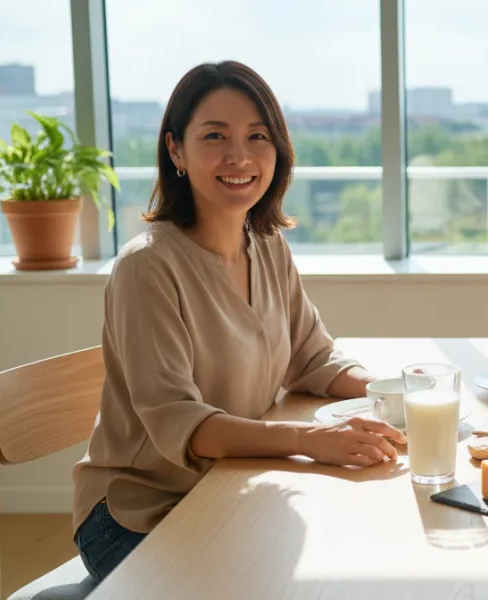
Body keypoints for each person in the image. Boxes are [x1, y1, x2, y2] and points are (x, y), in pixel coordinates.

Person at [71, 61, 406, 582]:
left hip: (234, 483)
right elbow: (182, 423)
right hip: (140, 513)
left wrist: (397, 396)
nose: (240, 157)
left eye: (257, 136)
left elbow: (312, 356)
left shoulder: (268, 245)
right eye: (214, 136)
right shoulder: (147, 267)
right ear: (175, 150)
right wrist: (310, 441)